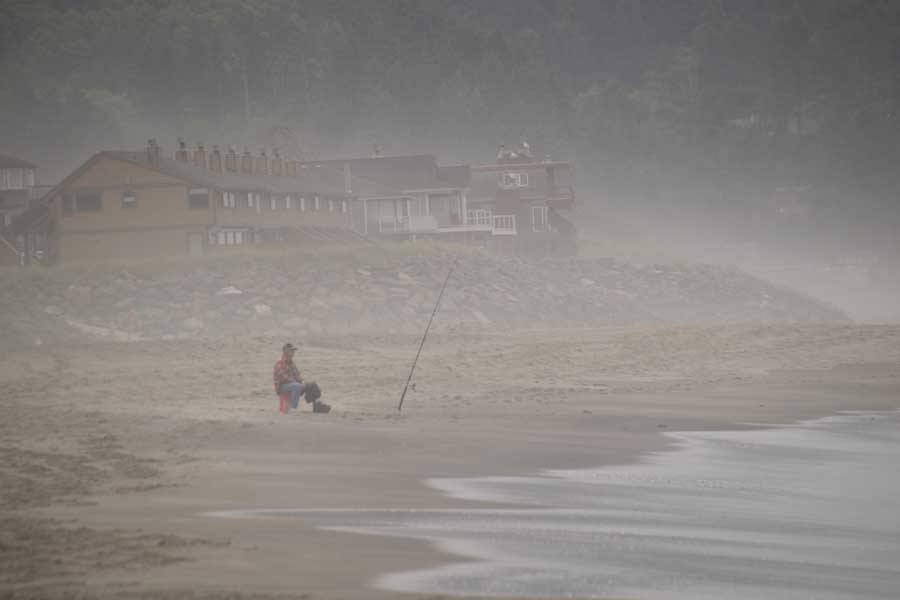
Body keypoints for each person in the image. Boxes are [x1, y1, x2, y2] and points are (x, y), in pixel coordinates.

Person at [273, 343, 330, 413]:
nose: (293, 353)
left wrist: (303, 382)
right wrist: (299, 383)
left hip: (292, 384)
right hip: (282, 387)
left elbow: (297, 375)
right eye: (291, 351)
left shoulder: (291, 363)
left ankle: (318, 406)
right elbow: (284, 378)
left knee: (312, 385)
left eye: (293, 351)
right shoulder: (280, 363)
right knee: (297, 386)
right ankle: (293, 408)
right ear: (286, 351)